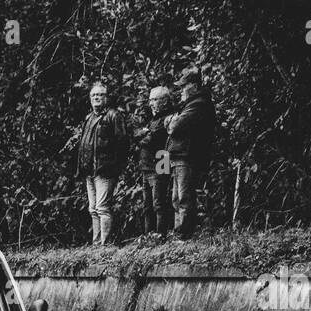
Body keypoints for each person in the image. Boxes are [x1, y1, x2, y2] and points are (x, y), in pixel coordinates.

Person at [76, 82, 131, 246]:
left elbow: (123, 143)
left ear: (106, 97)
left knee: (102, 207)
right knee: (93, 209)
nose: (96, 98)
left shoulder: (114, 116)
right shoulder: (89, 117)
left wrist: (115, 166)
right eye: (93, 95)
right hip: (89, 171)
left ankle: (104, 244)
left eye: (100, 95)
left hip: (105, 170)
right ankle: (96, 243)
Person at [166, 69, 217, 237]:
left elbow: (174, 127)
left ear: (194, 86)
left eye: (183, 87)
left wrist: (172, 121)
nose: (181, 91)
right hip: (179, 156)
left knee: (184, 197)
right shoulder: (191, 104)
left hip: (187, 156)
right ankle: (181, 231)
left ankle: (185, 233)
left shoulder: (199, 104)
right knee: (177, 198)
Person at [133, 84, 174, 236]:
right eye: (150, 100)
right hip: (147, 165)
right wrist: (143, 135)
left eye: (155, 100)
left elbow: (152, 139)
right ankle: (148, 235)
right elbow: (138, 136)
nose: (151, 103)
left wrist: (144, 135)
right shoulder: (153, 119)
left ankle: (160, 235)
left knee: (159, 202)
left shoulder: (167, 117)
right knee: (147, 205)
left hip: (161, 160)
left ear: (164, 101)